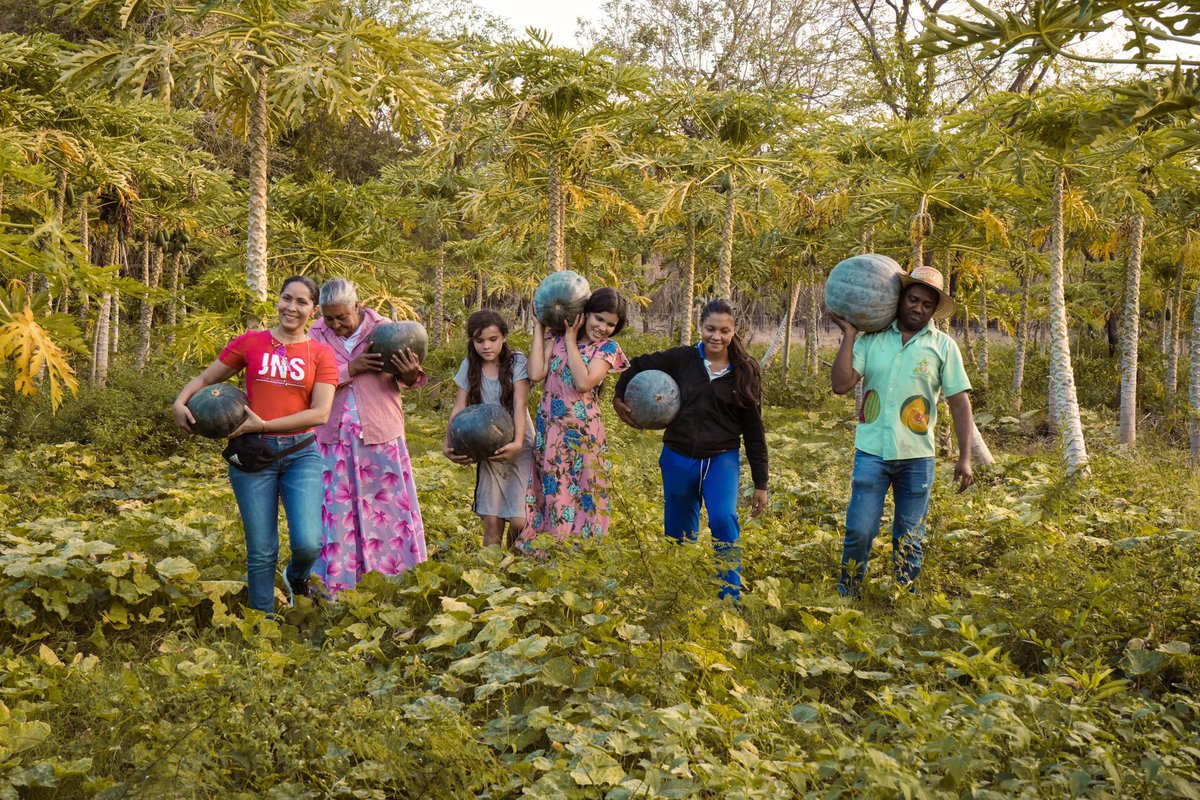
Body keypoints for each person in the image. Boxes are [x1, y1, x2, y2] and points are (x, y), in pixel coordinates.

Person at [173, 275, 337, 613]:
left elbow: (320, 413)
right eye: (286, 298)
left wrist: (265, 423)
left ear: (314, 310)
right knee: (261, 549)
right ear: (278, 300)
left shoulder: (322, 354)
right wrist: (180, 401)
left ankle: (297, 577)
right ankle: (261, 622)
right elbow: (206, 378)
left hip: (300, 454)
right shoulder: (250, 342)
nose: (291, 307)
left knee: (308, 543)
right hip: (251, 455)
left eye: (302, 302)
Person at [829, 264, 974, 596]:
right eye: (913, 299)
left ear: (933, 310)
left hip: (917, 458)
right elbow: (841, 384)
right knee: (860, 530)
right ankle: (847, 592)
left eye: (926, 304)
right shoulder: (872, 340)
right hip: (872, 452)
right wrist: (850, 335)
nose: (918, 308)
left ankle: (903, 597)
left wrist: (965, 457)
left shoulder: (943, 347)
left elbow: (959, 403)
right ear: (900, 298)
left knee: (910, 535)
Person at [613, 298, 768, 601]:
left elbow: (754, 430)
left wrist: (761, 482)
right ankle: (677, 597)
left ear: (734, 331)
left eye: (724, 330)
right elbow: (639, 364)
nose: (716, 337)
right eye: (710, 329)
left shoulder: (745, 371)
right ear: (701, 327)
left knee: (724, 518)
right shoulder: (682, 359)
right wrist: (620, 399)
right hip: (678, 456)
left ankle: (729, 598)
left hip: (720, 459)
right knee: (678, 534)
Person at [307, 278, 428, 596]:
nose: (336, 325)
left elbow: (408, 381)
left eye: (342, 317)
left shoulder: (386, 329)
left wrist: (410, 372)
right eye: (329, 317)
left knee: (387, 511)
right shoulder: (315, 335)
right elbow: (309, 381)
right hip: (333, 437)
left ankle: (394, 581)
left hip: (379, 435)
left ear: (357, 307)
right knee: (338, 511)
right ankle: (340, 584)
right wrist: (351, 369)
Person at [519, 287, 630, 544]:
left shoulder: (607, 349)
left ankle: (579, 553)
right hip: (552, 430)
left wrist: (571, 342)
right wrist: (539, 327)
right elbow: (535, 374)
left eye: (610, 324)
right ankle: (549, 547)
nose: (602, 327)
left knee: (583, 491)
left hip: (583, 434)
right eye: (599, 318)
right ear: (585, 313)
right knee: (553, 488)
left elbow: (583, 382)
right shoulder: (554, 338)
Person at [444, 310, 534, 548]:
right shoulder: (470, 366)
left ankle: (514, 562)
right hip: (488, 448)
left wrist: (516, 444)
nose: (486, 346)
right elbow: (459, 406)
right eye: (479, 340)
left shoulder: (517, 362)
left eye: (492, 339)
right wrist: (448, 443)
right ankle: (491, 570)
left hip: (520, 445)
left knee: (519, 520)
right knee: (492, 520)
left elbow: (520, 403)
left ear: (504, 337)